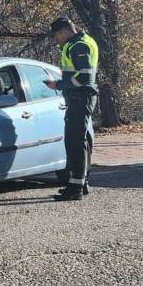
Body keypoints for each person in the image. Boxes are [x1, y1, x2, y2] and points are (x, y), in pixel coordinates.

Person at [45, 17, 99, 201]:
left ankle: (75, 188)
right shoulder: (86, 41)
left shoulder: (79, 45)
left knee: (74, 142)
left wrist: (59, 85)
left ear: (66, 31)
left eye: (57, 35)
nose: (57, 39)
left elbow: (83, 77)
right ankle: (80, 184)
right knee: (79, 142)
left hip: (80, 97)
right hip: (81, 97)